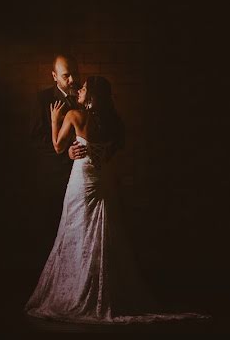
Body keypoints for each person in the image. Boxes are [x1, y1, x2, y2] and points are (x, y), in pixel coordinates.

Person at [25, 75, 211, 324]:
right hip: (103, 184)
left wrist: (54, 120)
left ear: (90, 96)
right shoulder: (112, 123)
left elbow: (58, 146)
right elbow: (107, 153)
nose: (79, 89)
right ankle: (105, 290)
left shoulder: (74, 116)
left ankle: (80, 290)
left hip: (82, 182)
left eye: (83, 89)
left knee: (76, 232)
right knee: (102, 236)